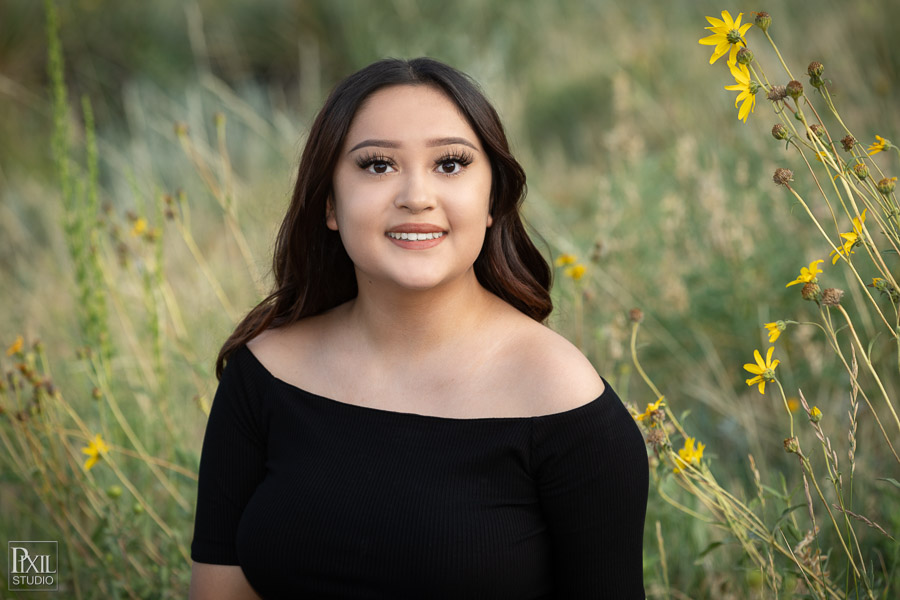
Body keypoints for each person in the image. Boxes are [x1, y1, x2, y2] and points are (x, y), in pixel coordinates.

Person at [189, 57, 648, 599]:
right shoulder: (263, 370)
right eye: (378, 165)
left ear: (494, 200)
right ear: (330, 203)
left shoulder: (562, 402)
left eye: (450, 164)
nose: (416, 196)